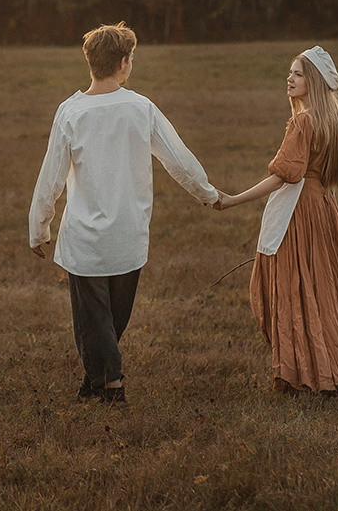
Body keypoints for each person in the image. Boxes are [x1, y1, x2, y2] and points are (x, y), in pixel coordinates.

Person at [29, 22, 219, 404]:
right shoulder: (140, 108)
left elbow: (50, 176)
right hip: (128, 235)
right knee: (104, 318)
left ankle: (94, 379)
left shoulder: (71, 112)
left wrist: (39, 227)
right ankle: (111, 382)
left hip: (85, 238)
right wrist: (208, 194)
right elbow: (178, 159)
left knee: (99, 320)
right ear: (122, 63)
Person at [212, 46, 338, 395]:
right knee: (322, 289)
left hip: (300, 214)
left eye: (297, 73)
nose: (290, 78)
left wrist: (233, 199)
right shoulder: (334, 121)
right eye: (290, 73)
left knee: (293, 287)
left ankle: (304, 376)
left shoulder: (303, 121)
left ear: (312, 81)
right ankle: (328, 373)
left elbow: (285, 175)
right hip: (325, 210)